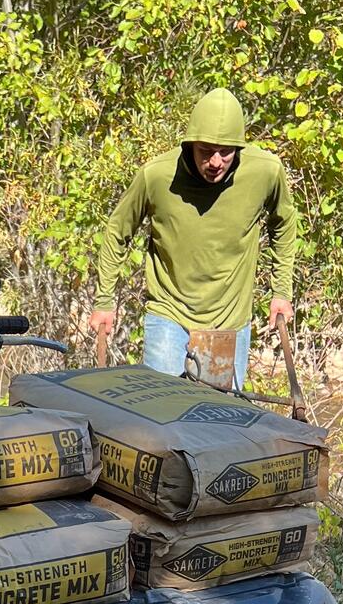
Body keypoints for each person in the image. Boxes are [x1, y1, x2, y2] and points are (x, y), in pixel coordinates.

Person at [89, 88, 297, 387]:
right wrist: (105, 300)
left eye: (225, 151)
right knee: (163, 409)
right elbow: (118, 230)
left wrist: (281, 291)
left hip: (229, 319)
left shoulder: (265, 171)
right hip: (169, 311)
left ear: (239, 148)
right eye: (205, 151)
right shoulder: (158, 175)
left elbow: (284, 222)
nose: (215, 161)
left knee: (217, 419)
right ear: (190, 144)